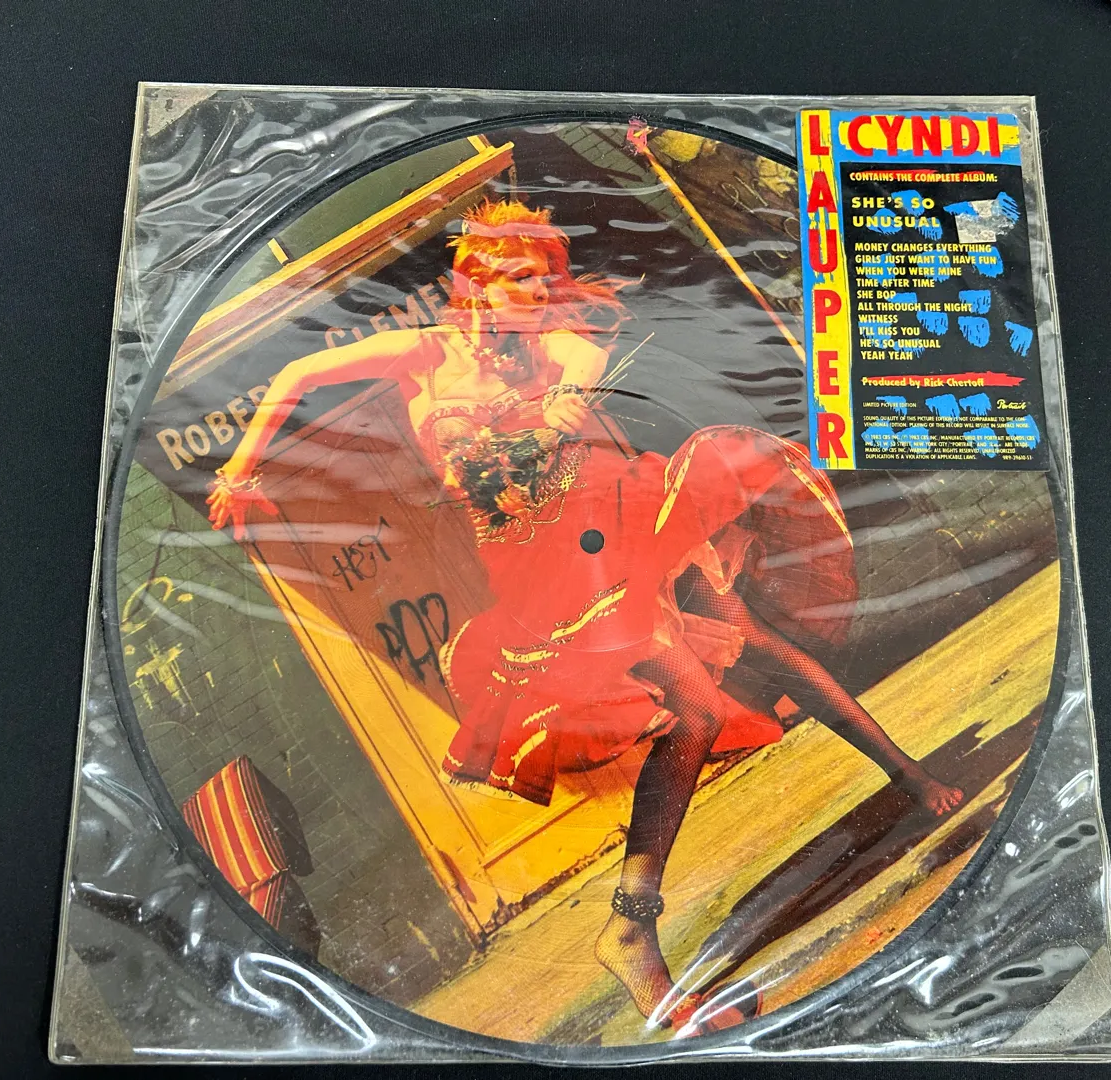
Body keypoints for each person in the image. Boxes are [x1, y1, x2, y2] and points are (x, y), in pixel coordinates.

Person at [208, 198, 963, 1033]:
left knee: (749, 649)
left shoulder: (557, 347)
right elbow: (301, 377)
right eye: (519, 279)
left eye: (544, 281)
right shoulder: (423, 356)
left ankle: (901, 778)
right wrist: (241, 470)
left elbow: (578, 386)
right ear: (477, 280)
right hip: (545, 578)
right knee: (701, 706)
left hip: (616, 530)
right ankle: (634, 935)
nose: (534, 296)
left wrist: (561, 407)